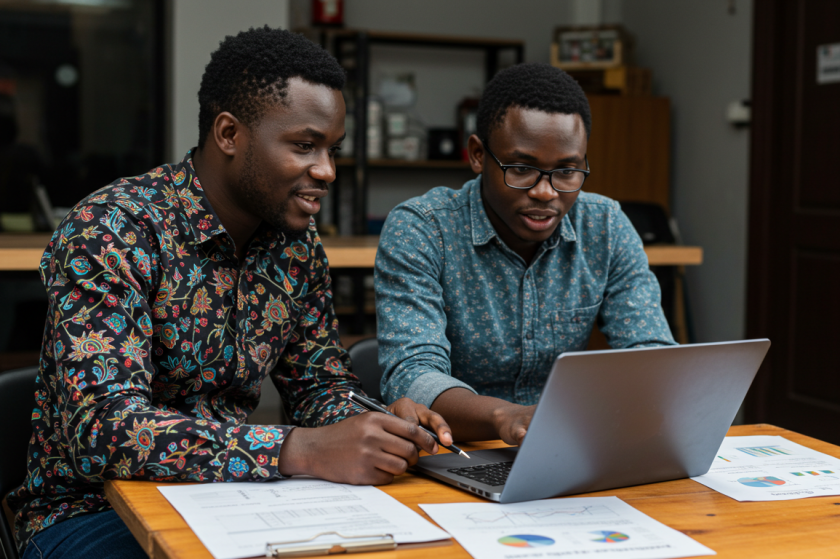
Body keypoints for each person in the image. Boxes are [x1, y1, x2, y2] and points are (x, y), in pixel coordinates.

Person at [7, 27, 453, 559]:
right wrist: (298, 449)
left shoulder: (295, 244)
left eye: (333, 149)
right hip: (87, 514)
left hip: (233, 499)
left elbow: (316, 385)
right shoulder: (113, 228)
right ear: (228, 134)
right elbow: (104, 430)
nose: (327, 171)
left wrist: (375, 421)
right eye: (304, 146)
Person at [375, 63, 675, 448]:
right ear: (478, 155)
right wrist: (506, 416)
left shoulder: (606, 226)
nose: (546, 193)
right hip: (457, 452)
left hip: (570, 445)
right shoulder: (422, 229)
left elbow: (649, 354)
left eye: (567, 171)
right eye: (521, 168)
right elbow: (413, 375)